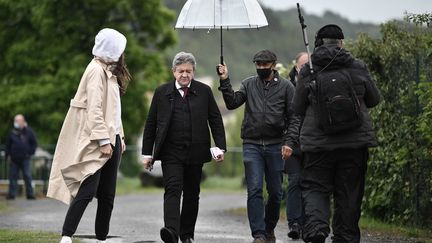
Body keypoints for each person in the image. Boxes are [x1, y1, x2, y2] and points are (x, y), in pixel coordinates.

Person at [292, 24, 380, 243]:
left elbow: (297, 107)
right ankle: (346, 236)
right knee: (349, 193)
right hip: (354, 144)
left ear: (318, 43)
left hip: (317, 145)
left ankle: (316, 230)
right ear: (341, 42)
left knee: (315, 188)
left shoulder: (309, 70)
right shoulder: (357, 66)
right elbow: (374, 99)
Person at [47, 28, 130, 243]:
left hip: (113, 139)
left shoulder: (108, 72)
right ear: (111, 49)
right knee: (87, 187)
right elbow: (93, 110)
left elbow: (113, 110)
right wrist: (103, 141)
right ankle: (67, 235)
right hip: (97, 141)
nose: (122, 54)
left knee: (107, 194)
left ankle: (102, 237)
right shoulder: (95, 70)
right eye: (119, 49)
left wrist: (120, 136)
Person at [142, 52, 226, 243]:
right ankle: (171, 231)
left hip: (196, 151)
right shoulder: (162, 92)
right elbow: (151, 124)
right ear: (174, 72)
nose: (185, 75)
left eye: (188, 71)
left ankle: (186, 235)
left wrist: (220, 146)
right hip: (171, 152)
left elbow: (215, 119)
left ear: (193, 71)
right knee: (172, 189)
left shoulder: (204, 91)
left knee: (192, 194)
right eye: (181, 71)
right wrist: (147, 153)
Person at [217, 50, 300, 243]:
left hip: (276, 144)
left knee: (276, 192)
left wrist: (289, 142)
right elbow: (231, 103)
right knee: (254, 189)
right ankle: (259, 234)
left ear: (273, 64)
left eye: (265, 64)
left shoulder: (287, 87)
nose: (261, 68)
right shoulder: (248, 84)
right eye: (258, 65)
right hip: (252, 144)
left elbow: (295, 117)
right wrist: (225, 80)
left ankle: (269, 227)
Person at [284, 52, 309, 240]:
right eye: (303, 66)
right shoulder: (287, 87)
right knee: (294, 180)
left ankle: (309, 222)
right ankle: (294, 222)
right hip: (291, 143)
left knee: (310, 184)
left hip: (312, 143)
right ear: (296, 67)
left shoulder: (317, 85)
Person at [5, 114, 38, 200]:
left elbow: (34, 144)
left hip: (25, 159)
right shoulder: (12, 133)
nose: (16, 122)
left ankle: (30, 194)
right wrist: (7, 156)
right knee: (12, 177)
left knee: (27, 176)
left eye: (18, 121)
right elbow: (7, 146)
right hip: (14, 159)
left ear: (23, 121)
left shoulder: (29, 132)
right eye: (15, 121)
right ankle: (11, 195)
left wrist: (30, 153)